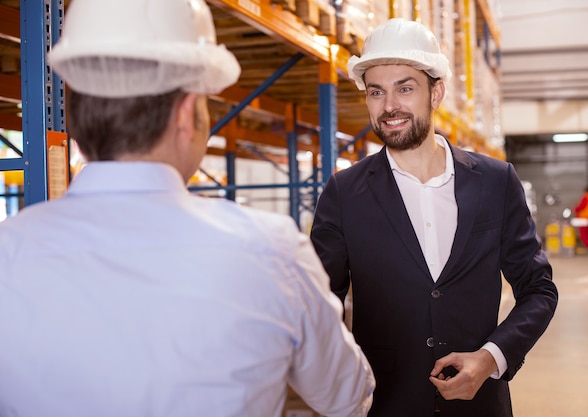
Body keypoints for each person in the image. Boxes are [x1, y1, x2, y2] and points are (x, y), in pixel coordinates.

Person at [0, 1, 375, 416]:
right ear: (185, 114)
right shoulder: (272, 251)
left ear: (74, 112)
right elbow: (347, 397)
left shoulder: (8, 252)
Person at [310, 18, 558, 417]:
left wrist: (492, 358)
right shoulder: (344, 193)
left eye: (405, 88)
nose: (389, 106)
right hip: (385, 404)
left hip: (481, 406)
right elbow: (320, 304)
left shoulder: (495, 182)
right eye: (377, 92)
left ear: (436, 92)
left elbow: (539, 289)